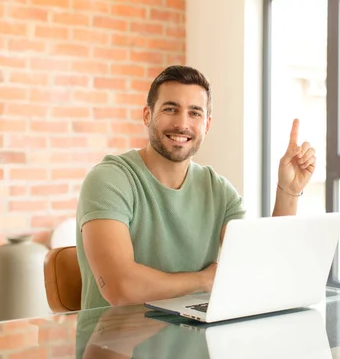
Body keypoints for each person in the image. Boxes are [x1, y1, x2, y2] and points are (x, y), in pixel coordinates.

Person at [76, 65, 316, 310]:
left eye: (194, 113)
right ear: (148, 115)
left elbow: (260, 269)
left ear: (207, 124)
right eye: (171, 109)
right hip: (114, 342)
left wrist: (288, 190)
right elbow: (121, 288)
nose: (182, 124)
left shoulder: (219, 190)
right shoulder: (110, 180)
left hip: (193, 340)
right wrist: (203, 280)